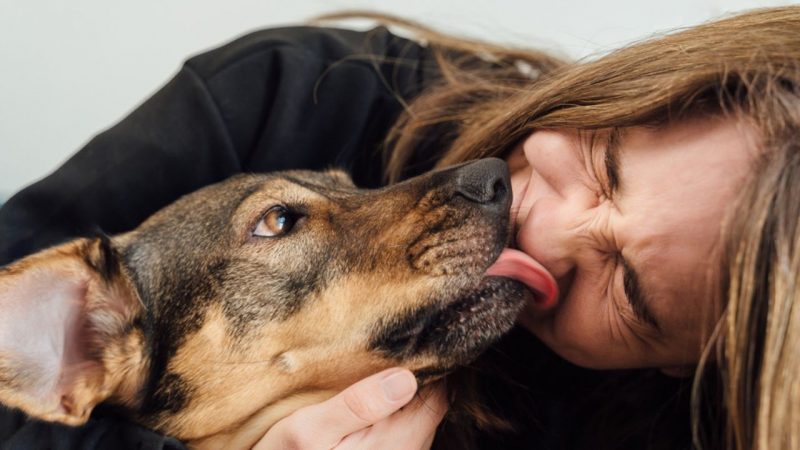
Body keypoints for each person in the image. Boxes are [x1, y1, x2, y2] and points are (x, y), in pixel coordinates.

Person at [1, 6, 799, 450]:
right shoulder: (297, 94)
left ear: (690, 368)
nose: (539, 229)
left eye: (630, 289)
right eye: (606, 162)